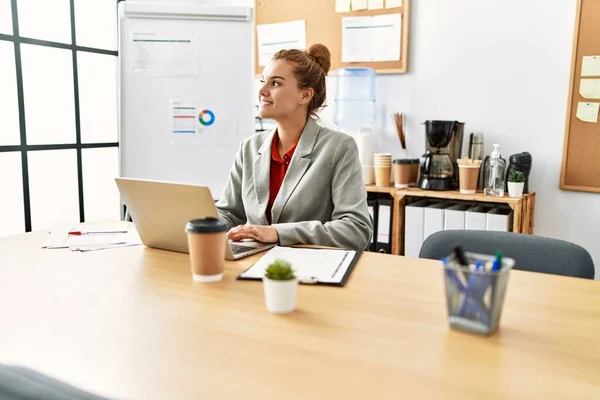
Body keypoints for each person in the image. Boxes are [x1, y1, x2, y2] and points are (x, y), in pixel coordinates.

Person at [216, 43, 373, 251]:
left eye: (275, 83)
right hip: (252, 263)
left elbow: (356, 230)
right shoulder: (249, 148)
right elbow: (230, 214)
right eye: (263, 81)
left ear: (305, 95)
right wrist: (197, 225)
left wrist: (278, 233)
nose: (262, 91)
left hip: (311, 269)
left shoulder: (338, 148)